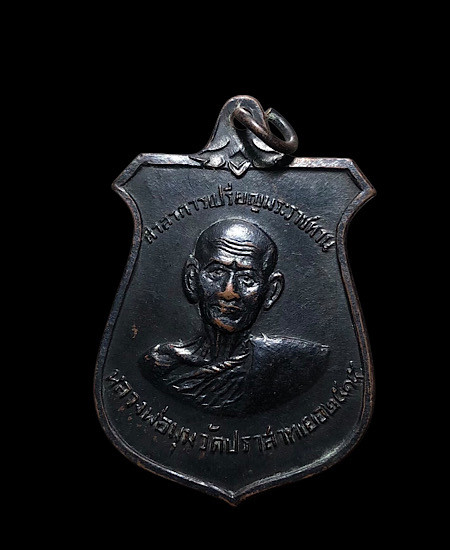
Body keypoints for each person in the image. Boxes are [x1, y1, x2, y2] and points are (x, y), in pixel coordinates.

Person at [141, 219, 329, 416]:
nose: (229, 292)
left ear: (271, 291)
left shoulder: (299, 363)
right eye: (217, 272)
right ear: (192, 279)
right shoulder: (161, 365)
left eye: (247, 278)